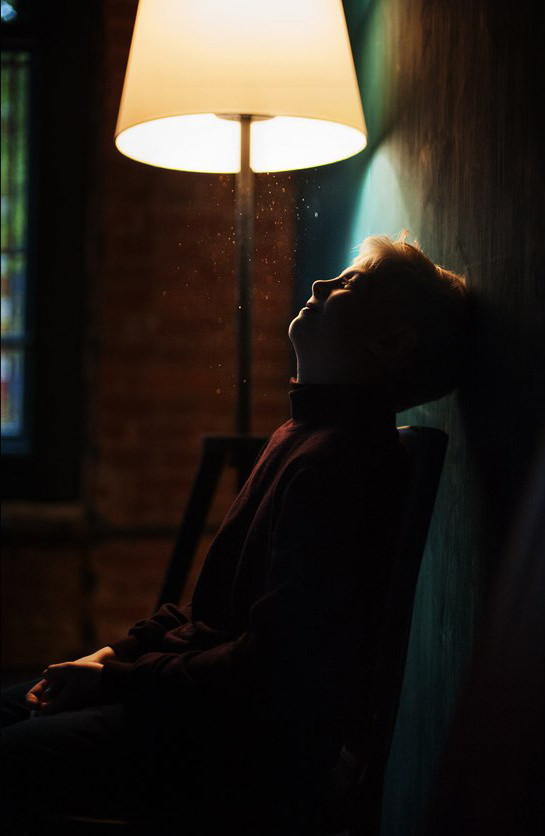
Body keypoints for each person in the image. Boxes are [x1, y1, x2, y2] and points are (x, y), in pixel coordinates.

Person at [1, 232, 470, 835]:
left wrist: (115, 681)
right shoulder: (300, 437)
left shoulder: (342, 462)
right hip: (199, 706)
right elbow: (211, 613)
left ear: (391, 342)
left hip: (232, 750)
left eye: (350, 283)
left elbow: (273, 669)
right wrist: (109, 656)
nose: (320, 283)